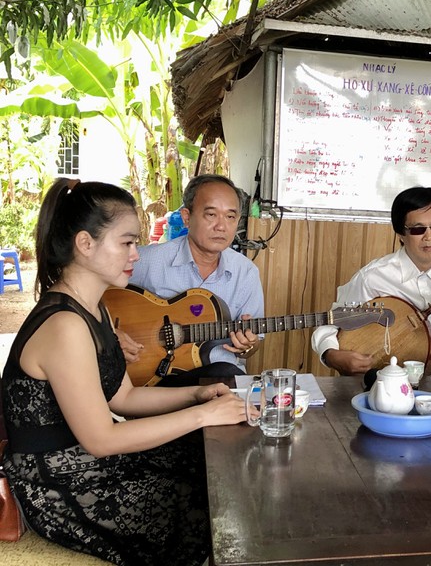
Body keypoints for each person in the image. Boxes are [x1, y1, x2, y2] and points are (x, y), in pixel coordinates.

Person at [0, 178, 249, 566]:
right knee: (203, 514)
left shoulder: (94, 308)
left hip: (83, 456)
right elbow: (102, 438)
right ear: (85, 244)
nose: (137, 254)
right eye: (127, 242)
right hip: (56, 481)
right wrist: (203, 415)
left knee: (207, 463)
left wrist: (197, 395)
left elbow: (124, 398)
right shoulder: (64, 324)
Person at [311, 186, 431, 377]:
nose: (429, 237)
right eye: (418, 229)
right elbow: (332, 325)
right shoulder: (373, 277)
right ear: (400, 234)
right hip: (384, 384)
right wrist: (331, 355)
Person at [121, 174, 264, 385]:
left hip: (221, 383)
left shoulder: (246, 272)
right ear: (187, 217)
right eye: (211, 214)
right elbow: (90, 293)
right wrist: (112, 333)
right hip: (156, 380)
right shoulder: (147, 260)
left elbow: (252, 347)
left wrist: (247, 346)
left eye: (231, 217)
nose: (221, 226)